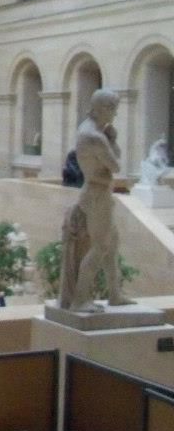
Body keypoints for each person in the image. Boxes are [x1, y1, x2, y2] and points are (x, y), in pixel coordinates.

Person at [60, 89, 134, 313]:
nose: (115, 114)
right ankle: (80, 300)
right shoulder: (95, 137)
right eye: (113, 109)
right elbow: (116, 165)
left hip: (97, 193)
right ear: (103, 109)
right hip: (97, 195)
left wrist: (110, 139)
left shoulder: (88, 129)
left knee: (112, 244)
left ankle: (115, 294)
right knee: (100, 247)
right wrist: (112, 139)